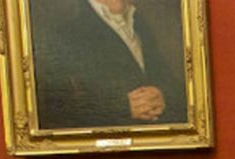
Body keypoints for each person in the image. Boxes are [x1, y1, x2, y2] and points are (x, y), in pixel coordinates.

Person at [33, 0, 187, 129]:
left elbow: (174, 86)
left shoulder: (139, 23)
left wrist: (162, 96)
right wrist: (122, 107)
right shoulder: (64, 34)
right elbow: (56, 109)